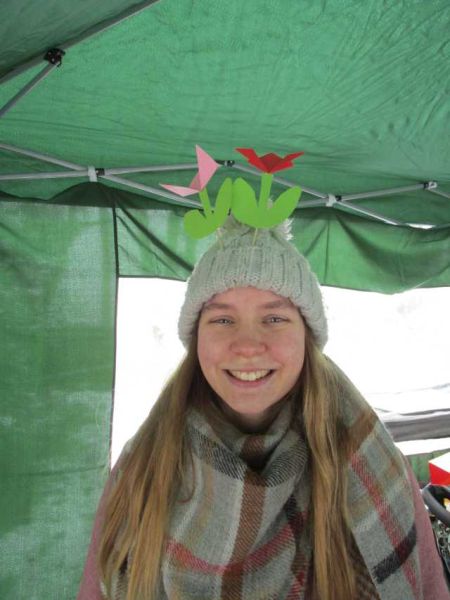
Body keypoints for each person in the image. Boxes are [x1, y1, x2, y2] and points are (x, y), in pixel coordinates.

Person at [77, 217, 450, 600]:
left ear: (307, 335)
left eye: (274, 318)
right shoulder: (141, 467)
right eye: (223, 319)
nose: (248, 346)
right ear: (196, 336)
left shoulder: (375, 465)